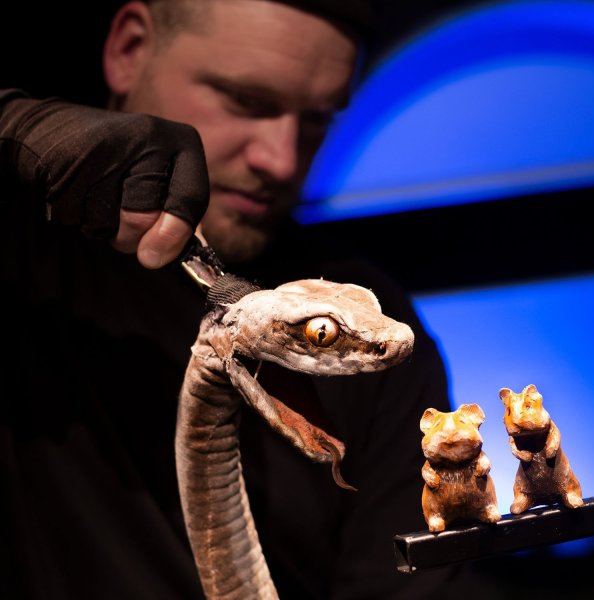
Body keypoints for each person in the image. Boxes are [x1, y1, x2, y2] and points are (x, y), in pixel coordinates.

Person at [0, 1, 498, 598]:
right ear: (129, 51)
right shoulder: (19, 255)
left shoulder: (371, 328)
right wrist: (14, 123)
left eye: (316, 119)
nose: (281, 159)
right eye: (246, 102)